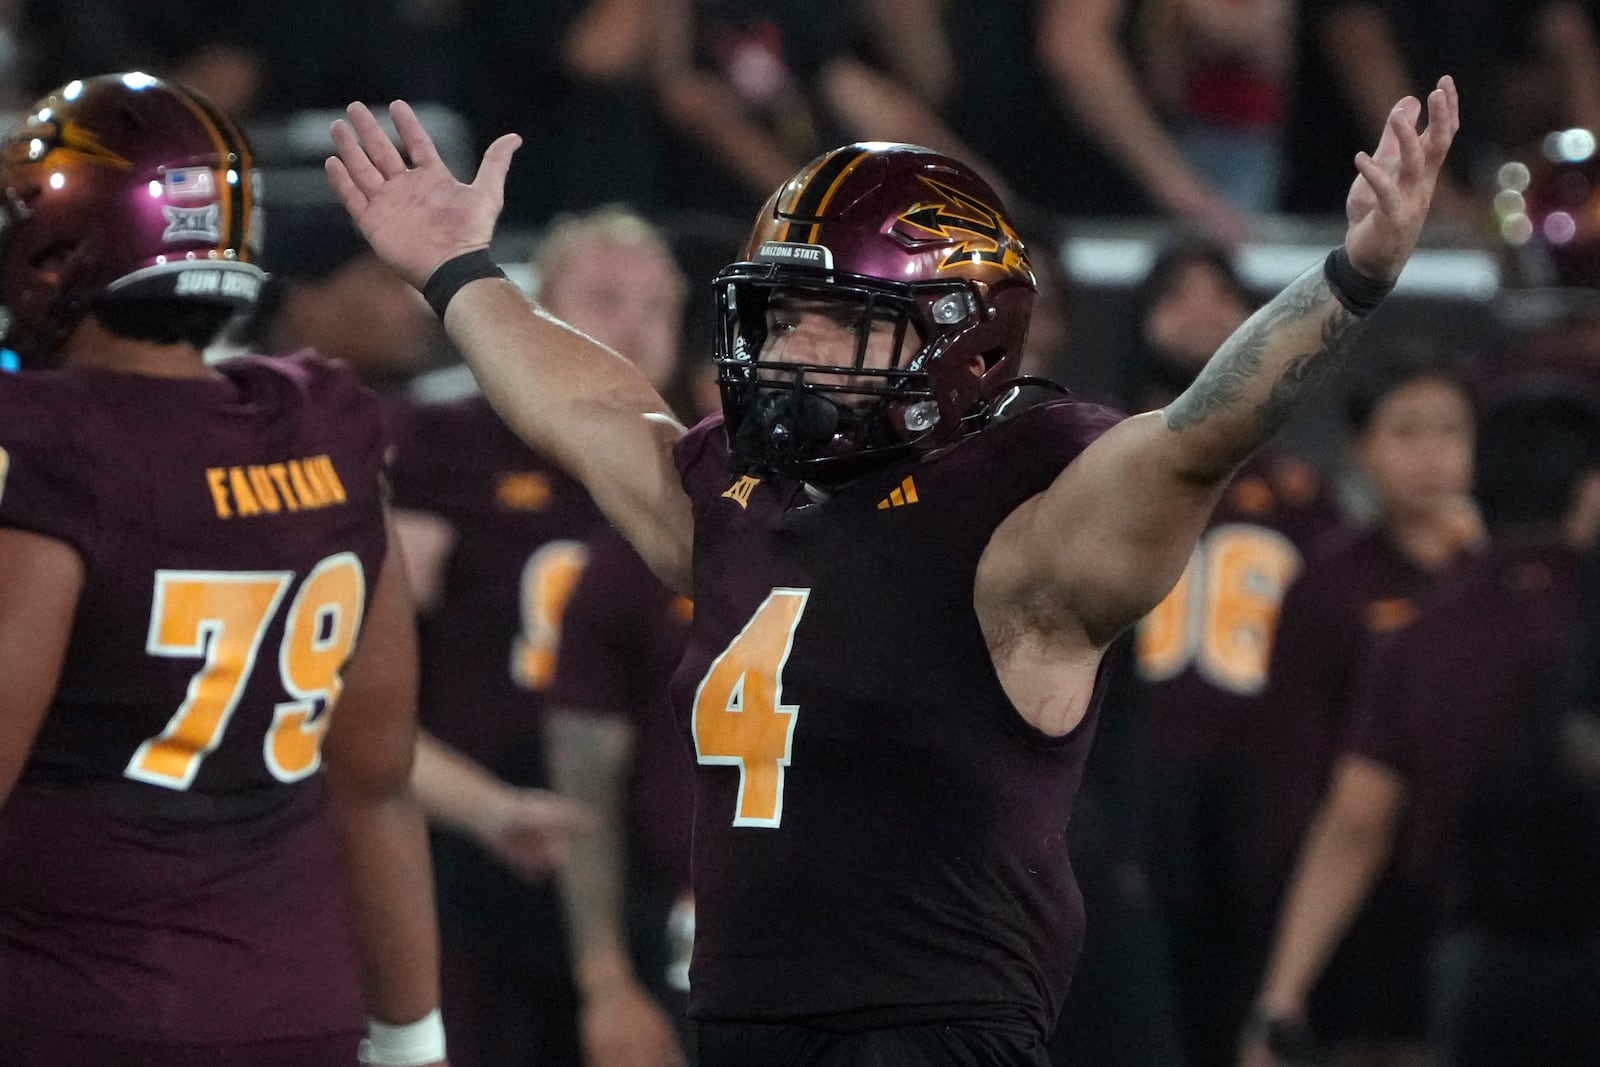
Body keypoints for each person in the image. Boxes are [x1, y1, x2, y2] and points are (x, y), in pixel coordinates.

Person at [326, 73, 1459, 1065]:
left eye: (832, 322)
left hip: (928, 1027)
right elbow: (587, 405)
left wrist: (1348, 280)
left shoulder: (1023, 511)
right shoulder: (737, 494)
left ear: (960, 337)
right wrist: (460, 269)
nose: (787, 352)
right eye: (776, 318)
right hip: (738, 1014)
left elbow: (1199, 432)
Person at [0, 74, 445, 1066]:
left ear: (58, 244)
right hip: (296, 1004)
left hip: (69, 1009)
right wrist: (414, 1041)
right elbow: (375, 782)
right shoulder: (322, 421)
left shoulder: (49, 445)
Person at [388, 205, 688, 1067]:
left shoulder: (698, 468)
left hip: (644, 868)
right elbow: (349, 676)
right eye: (605, 297)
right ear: (534, 316)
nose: (635, 323)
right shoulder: (441, 445)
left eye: (657, 304)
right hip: (472, 851)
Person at [1243, 392, 1600, 1067]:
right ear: (1587, 491)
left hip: (1470, 972)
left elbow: (1356, 821)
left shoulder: (1423, 633)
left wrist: (1280, 996)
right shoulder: (1583, 620)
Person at [1125, 234, 1342, 1067]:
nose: (1201, 313)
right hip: (1136, 785)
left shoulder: (1297, 490)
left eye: (1221, 295)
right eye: (1177, 294)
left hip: (1263, 789)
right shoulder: (1095, 465)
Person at [1241, 356, 1478, 1067]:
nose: (1433, 454)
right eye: (1405, 431)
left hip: (1474, 910)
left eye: (1451, 431)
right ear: (1359, 448)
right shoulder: (1327, 585)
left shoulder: (1502, 577)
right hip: (1360, 913)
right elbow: (1293, 775)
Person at [545, 525, 697, 1067]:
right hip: (678, 930)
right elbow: (586, 792)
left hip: (851, 941)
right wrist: (606, 983)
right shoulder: (633, 562)